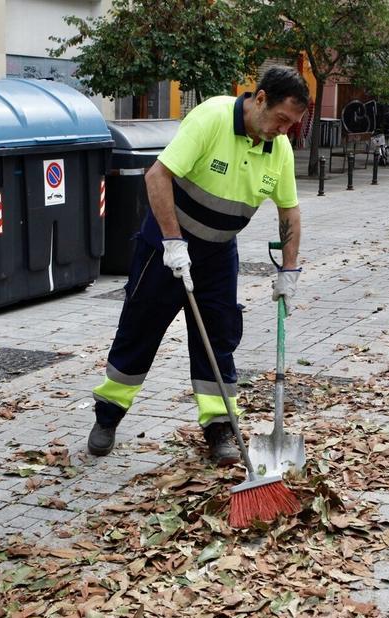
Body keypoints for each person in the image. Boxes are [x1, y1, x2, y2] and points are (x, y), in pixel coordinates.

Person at [88, 66, 309, 465]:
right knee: (140, 329)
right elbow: (157, 176)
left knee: (218, 338)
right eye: (281, 119)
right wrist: (173, 243)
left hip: (218, 254)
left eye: (291, 124)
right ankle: (108, 416)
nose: (284, 130)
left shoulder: (278, 149)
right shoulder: (211, 118)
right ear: (260, 99)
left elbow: (289, 211)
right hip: (165, 246)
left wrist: (289, 271)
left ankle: (220, 427)